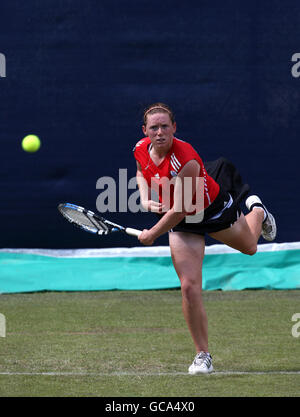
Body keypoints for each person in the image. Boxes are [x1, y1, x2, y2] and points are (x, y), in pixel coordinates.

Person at [133, 102, 276, 375]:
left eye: (165, 126)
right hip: (183, 222)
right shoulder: (141, 148)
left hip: (209, 211)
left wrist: (152, 233)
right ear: (145, 131)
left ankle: (257, 210)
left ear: (174, 127)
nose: (160, 132)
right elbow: (141, 171)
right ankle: (202, 355)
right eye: (154, 127)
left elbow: (178, 210)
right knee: (188, 286)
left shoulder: (185, 158)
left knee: (250, 247)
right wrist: (144, 197)